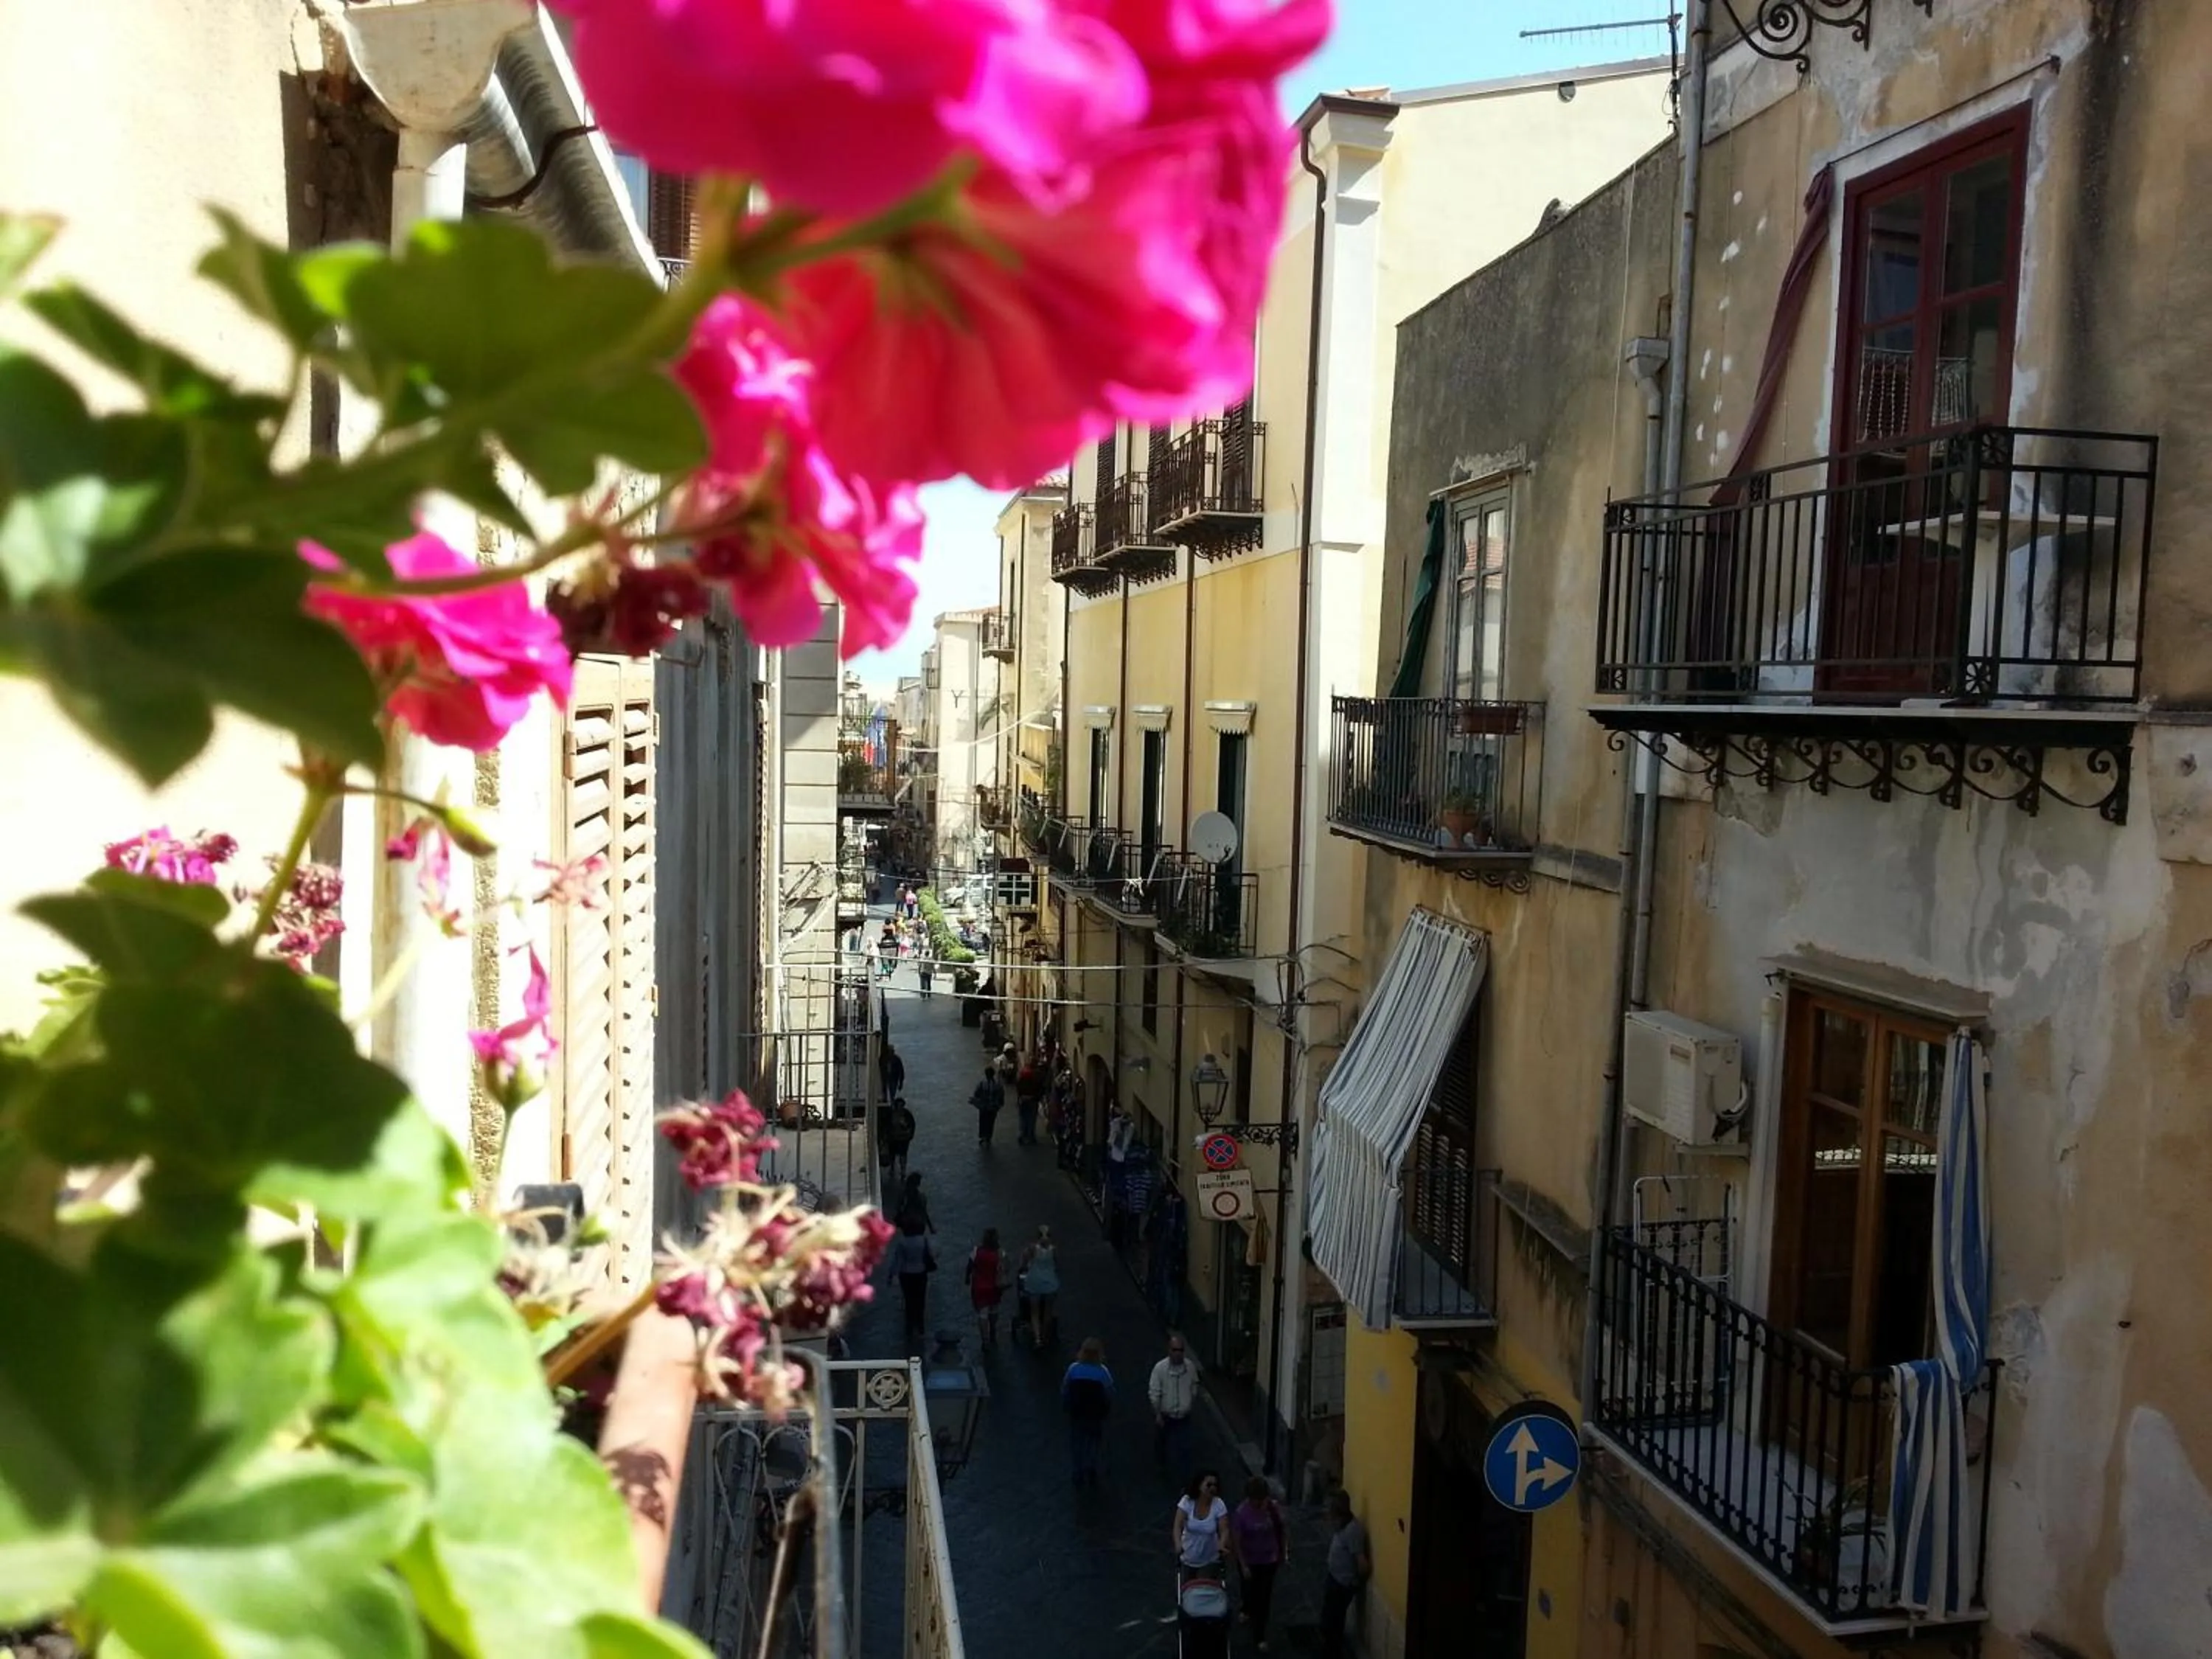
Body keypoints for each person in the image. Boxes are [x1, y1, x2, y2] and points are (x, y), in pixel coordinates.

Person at [1230, 1476, 1289, 1650]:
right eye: (1258, 1499)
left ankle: (1260, 1635)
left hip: (1268, 1560)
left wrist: (1284, 1552)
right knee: (1249, 1591)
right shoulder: (1242, 1514)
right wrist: (1243, 1565)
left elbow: (1282, 1529)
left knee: (1263, 1599)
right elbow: (1237, 1541)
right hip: (1250, 1561)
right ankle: (1246, 1607)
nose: (1261, 1502)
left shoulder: (1272, 1508)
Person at [1319, 1489, 1371, 1659]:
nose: (1327, 1514)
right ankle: (1329, 1649)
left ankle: (1333, 1653)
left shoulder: (1353, 1531)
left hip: (1342, 1585)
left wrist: (1355, 1582)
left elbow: (1362, 1564)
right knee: (1328, 1619)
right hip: (1334, 1578)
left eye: (1330, 1511)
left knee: (1333, 1622)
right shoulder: (1341, 1525)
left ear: (1339, 1512)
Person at [1060, 1338, 1114, 1487]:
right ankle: (1091, 1467)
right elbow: (1109, 1392)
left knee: (1077, 1441)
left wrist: (1066, 1405)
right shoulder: (1103, 1372)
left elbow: (1065, 1389)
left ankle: (1078, 1470)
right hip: (1095, 1414)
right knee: (1093, 1441)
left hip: (1077, 1413)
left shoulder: (1074, 1369)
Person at [1148, 1332, 1200, 1480]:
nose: (1178, 1354)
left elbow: (1194, 1385)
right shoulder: (1160, 1369)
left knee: (1184, 1447)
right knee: (1162, 1443)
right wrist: (1157, 1412)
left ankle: (1184, 1478)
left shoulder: (1190, 1368)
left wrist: (1190, 1402)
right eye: (1175, 1350)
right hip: (1166, 1415)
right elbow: (1154, 1391)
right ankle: (1161, 1466)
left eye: (1181, 1350)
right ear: (1169, 1351)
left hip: (1184, 1416)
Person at [1173, 1470, 1233, 1579]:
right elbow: (1178, 1525)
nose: (1212, 1488)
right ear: (1199, 1485)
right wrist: (1178, 1544)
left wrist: (1222, 1543)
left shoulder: (1218, 1505)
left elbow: (1224, 1529)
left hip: (1209, 1559)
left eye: (1215, 1485)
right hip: (1188, 1555)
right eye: (1209, 1485)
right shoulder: (1187, 1501)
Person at [888, 1214, 936, 1347]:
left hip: (906, 1274)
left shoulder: (902, 1242)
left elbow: (897, 1261)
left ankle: (909, 1327)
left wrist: (892, 1276)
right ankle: (921, 1327)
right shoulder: (923, 1240)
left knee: (909, 1300)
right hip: (921, 1273)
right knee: (921, 1300)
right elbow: (931, 1255)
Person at [1018, 1224, 1061, 1346]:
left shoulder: (1031, 1249)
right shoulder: (1054, 1249)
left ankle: (1037, 1339)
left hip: (1034, 1282)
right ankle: (1045, 1335)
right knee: (1048, 1312)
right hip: (1050, 1283)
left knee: (1034, 1312)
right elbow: (1057, 1265)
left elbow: (1023, 1264)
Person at [965, 1227, 1005, 1346]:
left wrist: (967, 1278)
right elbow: (1005, 1268)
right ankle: (992, 1330)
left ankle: (985, 1340)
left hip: (980, 1287)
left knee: (982, 1314)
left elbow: (970, 1266)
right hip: (995, 1287)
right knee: (994, 1310)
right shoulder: (1000, 1253)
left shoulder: (977, 1251)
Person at [880, 1095, 917, 1192]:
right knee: (894, 1154)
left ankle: (902, 1170)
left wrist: (909, 1134)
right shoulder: (894, 1115)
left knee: (902, 1155)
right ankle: (893, 1168)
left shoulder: (906, 1115)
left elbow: (912, 1125)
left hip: (902, 1139)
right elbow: (887, 1126)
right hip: (895, 1138)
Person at [1015, 1050, 1046, 1145]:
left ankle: (1022, 1135)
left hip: (1023, 1099)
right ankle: (1030, 1136)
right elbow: (1041, 1088)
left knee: (1023, 1118)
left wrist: (1019, 1097)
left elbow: (1018, 1085)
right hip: (1033, 1099)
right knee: (1031, 1119)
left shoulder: (1024, 1073)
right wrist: (1039, 1097)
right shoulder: (1038, 1075)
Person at [969, 1062, 1003, 1146]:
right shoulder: (997, 1085)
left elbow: (976, 1094)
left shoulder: (982, 1084)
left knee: (983, 1121)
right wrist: (999, 1105)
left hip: (984, 1107)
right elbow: (1001, 1096)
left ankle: (983, 1136)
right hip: (993, 1107)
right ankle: (988, 1137)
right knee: (990, 1122)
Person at [896, 1171, 933, 1235]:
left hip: (908, 1223)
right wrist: (930, 1227)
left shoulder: (904, 1195)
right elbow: (924, 1212)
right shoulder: (921, 1197)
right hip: (918, 1223)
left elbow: (900, 1209)